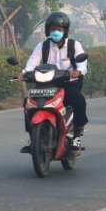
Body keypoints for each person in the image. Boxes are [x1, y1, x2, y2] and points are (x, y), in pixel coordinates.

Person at [18, 11, 88, 153]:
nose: (56, 32)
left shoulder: (74, 45)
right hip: (46, 84)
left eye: (59, 29)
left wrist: (78, 71)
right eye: (53, 29)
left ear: (65, 31)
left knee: (78, 99)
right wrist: (25, 72)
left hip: (68, 83)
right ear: (47, 30)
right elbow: (32, 62)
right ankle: (32, 137)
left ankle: (77, 135)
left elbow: (82, 63)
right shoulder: (42, 46)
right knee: (28, 102)